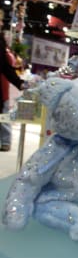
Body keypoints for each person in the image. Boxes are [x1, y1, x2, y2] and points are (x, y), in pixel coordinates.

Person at [0, 9, 25, 152]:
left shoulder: (1, 41)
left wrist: (19, 82)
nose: (1, 23)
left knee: (3, 117)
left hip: (2, 89)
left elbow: (5, 66)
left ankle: (5, 140)